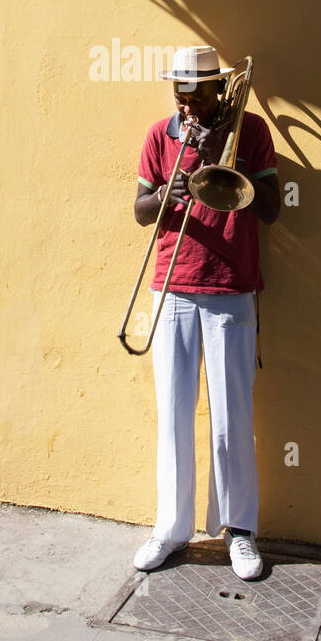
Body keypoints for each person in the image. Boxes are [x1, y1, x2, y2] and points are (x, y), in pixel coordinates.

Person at [132, 46, 280, 580]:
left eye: (196, 93)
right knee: (172, 413)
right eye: (179, 92)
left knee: (230, 417)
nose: (186, 103)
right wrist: (176, 185)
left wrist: (228, 156)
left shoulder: (253, 130)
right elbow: (140, 211)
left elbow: (273, 208)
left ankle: (239, 530)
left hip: (232, 288)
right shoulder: (160, 135)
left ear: (220, 89)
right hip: (171, 285)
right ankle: (171, 528)